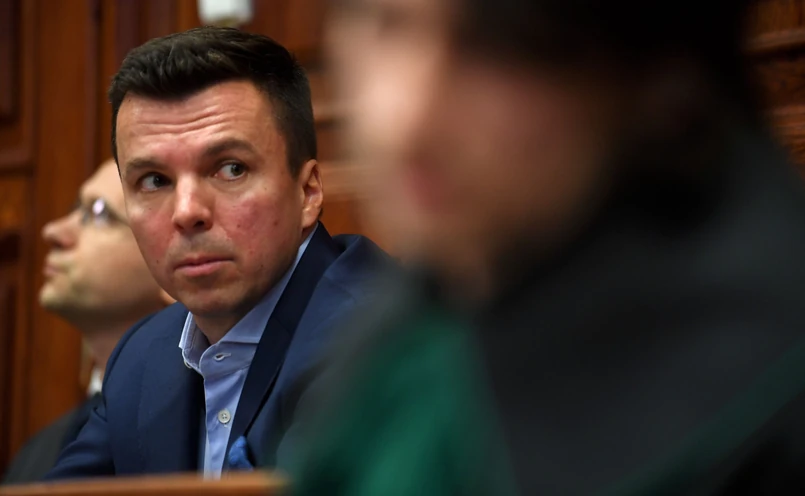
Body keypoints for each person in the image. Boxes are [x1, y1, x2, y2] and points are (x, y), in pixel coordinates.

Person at [291, 0, 805, 494]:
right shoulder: (403, 332)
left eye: (494, 46)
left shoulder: (770, 396)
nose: (406, 122)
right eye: (388, 23)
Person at [45, 26, 389, 479]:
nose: (187, 212)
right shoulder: (142, 356)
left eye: (230, 169)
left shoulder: (379, 337)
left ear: (307, 193)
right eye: (154, 180)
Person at [2, 159, 169, 484]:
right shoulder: (37, 452)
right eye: (76, 208)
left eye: (99, 214)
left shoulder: (197, 437)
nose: (53, 231)